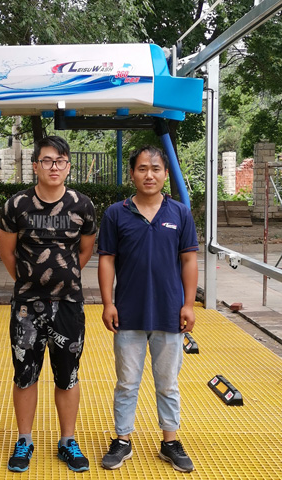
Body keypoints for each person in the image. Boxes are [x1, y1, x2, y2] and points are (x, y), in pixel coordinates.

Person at [97, 145, 199, 472]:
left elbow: (189, 260)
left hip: (170, 312)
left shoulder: (180, 213)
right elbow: (107, 260)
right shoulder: (116, 214)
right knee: (127, 382)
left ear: (166, 174)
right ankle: (122, 439)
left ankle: (170, 441)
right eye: (142, 168)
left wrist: (188, 304)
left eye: (156, 169)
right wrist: (108, 303)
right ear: (132, 174)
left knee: (167, 382)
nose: (149, 175)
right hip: (128, 312)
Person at [0, 135, 97, 473]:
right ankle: (24, 440)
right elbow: (7, 252)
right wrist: (31, 281)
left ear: (68, 166)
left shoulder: (82, 206)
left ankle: (68, 441)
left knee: (68, 374)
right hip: (27, 306)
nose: (54, 167)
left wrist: (62, 278)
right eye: (47, 160)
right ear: (36, 165)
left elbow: (85, 250)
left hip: (68, 304)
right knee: (25, 374)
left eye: (61, 161)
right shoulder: (16, 205)